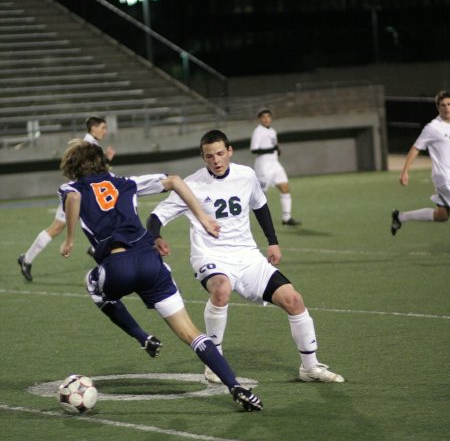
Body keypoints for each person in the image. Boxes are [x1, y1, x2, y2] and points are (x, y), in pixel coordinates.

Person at [57, 139, 262, 413]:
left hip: (117, 267)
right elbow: (175, 180)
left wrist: (69, 238)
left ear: (72, 167)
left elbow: (73, 198)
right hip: (151, 263)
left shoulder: (72, 187)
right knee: (191, 333)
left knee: (93, 286)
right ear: (102, 163)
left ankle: (142, 337)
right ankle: (236, 386)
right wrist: (202, 216)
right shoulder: (126, 182)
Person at [148, 129, 344, 385]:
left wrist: (272, 242)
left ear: (230, 151)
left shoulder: (247, 175)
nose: (216, 160)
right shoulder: (191, 185)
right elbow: (156, 216)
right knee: (221, 289)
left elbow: (260, 205)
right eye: (209, 156)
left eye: (220, 153)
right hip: (211, 255)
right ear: (202, 157)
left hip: (248, 256)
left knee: (294, 300)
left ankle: (310, 368)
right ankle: (213, 362)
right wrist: (156, 237)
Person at [17, 116, 116, 281]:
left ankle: (96, 249)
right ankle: (26, 260)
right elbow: (91, 172)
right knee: (56, 228)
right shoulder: (88, 145)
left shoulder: (93, 144)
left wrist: (106, 161)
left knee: (104, 218)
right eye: (103, 127)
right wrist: (107, 162)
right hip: (76, 194)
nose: (105, 131)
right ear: (94, 128)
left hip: (85, 193)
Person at [391, 90, 450, 235]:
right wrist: (405, 171)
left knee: (441, 215)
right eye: (443, 105)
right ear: (438, 108)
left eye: (449, 104)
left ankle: (400, 217)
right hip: (444, 178)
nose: (447, 108)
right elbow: (415, 148)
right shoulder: (433, 128)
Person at [250, 107, 301, 226]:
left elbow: (273, 145)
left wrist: (277, 149)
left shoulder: (272, 131)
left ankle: (287, 218)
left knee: (285, 188)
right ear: (259, 119)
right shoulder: (258, 131)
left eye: (268, 117)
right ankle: (246, 217)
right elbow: (254, 150)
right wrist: (271, 149)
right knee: (260, 195)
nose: (266, 119)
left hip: (275, 164)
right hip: (263, 166)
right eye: (263, 117)